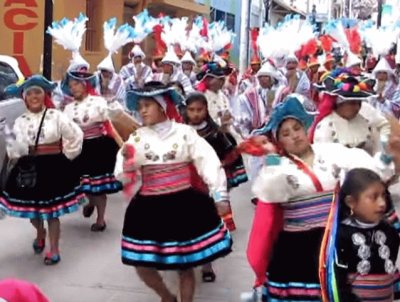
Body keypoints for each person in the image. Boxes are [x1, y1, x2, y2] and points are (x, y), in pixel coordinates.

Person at [242, 95, 400, 301]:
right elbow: (271, 193)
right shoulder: (279, 167)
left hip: (337, 239)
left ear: (305, 129)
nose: (295, 136)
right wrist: (272, 157)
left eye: (297, 129)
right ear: (278, 141)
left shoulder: (331, 151)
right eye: (286, 134)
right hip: (297, 245)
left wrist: (389, 156)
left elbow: (369, 172)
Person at [115, 82, 232, 302]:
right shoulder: (137, 137)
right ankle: (167, 296)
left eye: (147, 105)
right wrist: (126, 160)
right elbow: (122, 176)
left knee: (184, 265)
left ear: (162, 106)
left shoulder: (184, 133)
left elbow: (207, 160)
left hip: (183, 204)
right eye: (140, 106)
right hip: (148, 207)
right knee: (141, 265)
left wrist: (219, 194)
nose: (142, 110)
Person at [0, 75, 85, 265]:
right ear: (25, 98)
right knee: (33, 213)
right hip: (29, 168)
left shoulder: (56, 116)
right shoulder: (20, 121)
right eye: (29, 93)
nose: (34, 96)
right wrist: (15, 147)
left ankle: (53, 249)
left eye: (37, 92)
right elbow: (13, 148)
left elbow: (75, 134)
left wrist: (67, 156)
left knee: (52, 213)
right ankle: (40, 232)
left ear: (44, 94)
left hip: (53, 167)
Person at [62, 71, 123, 232]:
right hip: (79, 148)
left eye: (75, 84)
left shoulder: (98, 102)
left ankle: (101, 219)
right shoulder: (67, 108)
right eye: (70, 86)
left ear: (84, 85)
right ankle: (90, 202)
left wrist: (122, 146)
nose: (73, 88)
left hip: (97, 147)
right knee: (83, 184)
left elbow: (108, 126)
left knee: (99, 186)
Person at [332, 168, 400, 301]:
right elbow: (338, 281)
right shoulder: (341, 236)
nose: (382, 203)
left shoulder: (389, 232)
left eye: (383, 196)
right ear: (351, 202)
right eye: (373, 197)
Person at [311, 74, 387, 156]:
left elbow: (378, 150)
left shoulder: (366, 123)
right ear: (339, 104)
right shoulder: (326, 126)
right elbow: (324, 158)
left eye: (359, 103)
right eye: (352, 103)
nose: (357, 107)